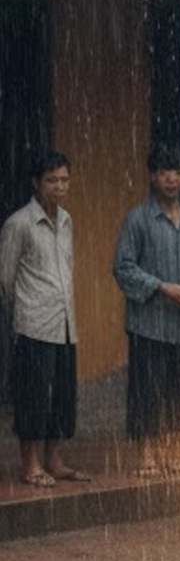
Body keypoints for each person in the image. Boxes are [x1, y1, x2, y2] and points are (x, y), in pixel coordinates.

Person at [113, 147, 180, 477]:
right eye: (165, 172)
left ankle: (176, 452)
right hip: (149, 323)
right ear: (153, 176)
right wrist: (162, 287)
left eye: (178, 172)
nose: (172, 179)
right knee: (147, 391)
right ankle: (147, 454)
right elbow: (123, 267)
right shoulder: (138, 218)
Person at [0, 150, 85, 487]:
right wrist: (27, 308)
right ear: (36, 183)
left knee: (63, 395)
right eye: (52, 180)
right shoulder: (19, 223)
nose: (59, 187)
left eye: (64, 180)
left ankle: (54, 460)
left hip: (65, 323)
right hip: (33, 323)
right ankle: (31, 464)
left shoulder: (67, 221)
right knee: (33, 395)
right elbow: (5, 279)